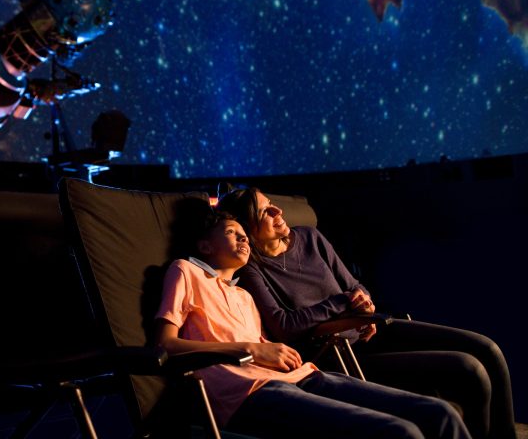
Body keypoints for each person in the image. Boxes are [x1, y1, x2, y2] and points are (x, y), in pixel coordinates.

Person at [216, 187, 517, 439]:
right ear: (248, 230)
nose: (278, 213)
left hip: (371, 327)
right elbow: (284, 326)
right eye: (264, 212)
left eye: (273, 205)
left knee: (486, 349)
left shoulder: (309, 237)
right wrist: (342, 304)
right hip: (341, 353)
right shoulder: (253, 268)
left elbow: (354, 286)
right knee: (467, 368)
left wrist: (363, 300)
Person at [154, 209, 470, 439]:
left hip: (300, 375)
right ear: (205, 246)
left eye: (244, 235)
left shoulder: (244, 296)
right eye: (231, 233)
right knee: (400, 431)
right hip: (245, 391)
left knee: (439, 413)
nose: (243, 239)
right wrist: (251, 349)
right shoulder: (186, 271)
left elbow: (268, 347)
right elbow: (165, 345)